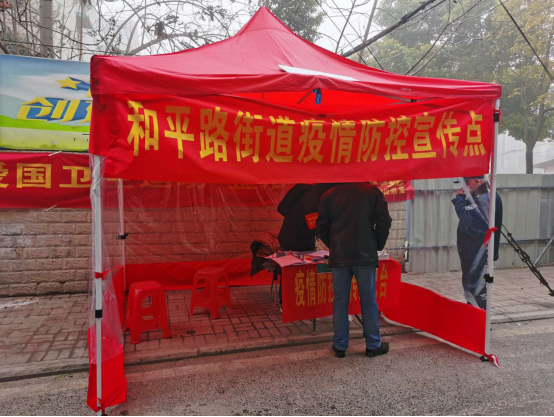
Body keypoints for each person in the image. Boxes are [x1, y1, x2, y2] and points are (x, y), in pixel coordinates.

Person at [316, 182, 392, 358]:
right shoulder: (372, 192)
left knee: (340, 301)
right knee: (368, 300)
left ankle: (340, 346)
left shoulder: (328, 195)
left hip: (339, 255)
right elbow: (384, 222)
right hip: (364, 255)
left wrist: (334, 245)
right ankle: (373, 345)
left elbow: (321, 227)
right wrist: (376, 244)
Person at [452, 175, 503, 309]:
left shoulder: (485, 197)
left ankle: (479, 317)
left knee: (477, 290)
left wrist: (459, 198)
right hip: (474, 252)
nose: (464, 187)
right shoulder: (481, 195)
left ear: (477, 180)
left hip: (479, 254)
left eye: (466, 183)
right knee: (472, 288)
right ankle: (474, 313)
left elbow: (466, 217)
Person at [277, 183, 337, 252]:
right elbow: (315, 228)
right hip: (296, 243)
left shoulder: (313, 192)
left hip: (291, 238)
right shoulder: (313, 198)